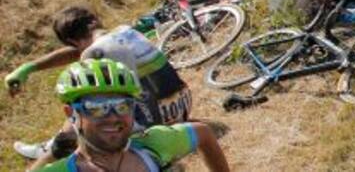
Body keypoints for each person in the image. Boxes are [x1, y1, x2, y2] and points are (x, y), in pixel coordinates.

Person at [6, 7, 192, 164]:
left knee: (84, 107)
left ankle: (52, 151)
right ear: (95, 21)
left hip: (154, 125)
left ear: (72, 41)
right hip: (181, 108)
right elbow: (82, 52)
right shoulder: (126, 31)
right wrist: (29, 67)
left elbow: (87, 54)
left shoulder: (97, 51)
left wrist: (65, 139)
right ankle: (53, 145)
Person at [36, 58, 230, 172]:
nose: (112, 117)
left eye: (122, 106)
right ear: (71, 114)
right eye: (96, 107)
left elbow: (203, 133)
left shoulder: (154, 145)